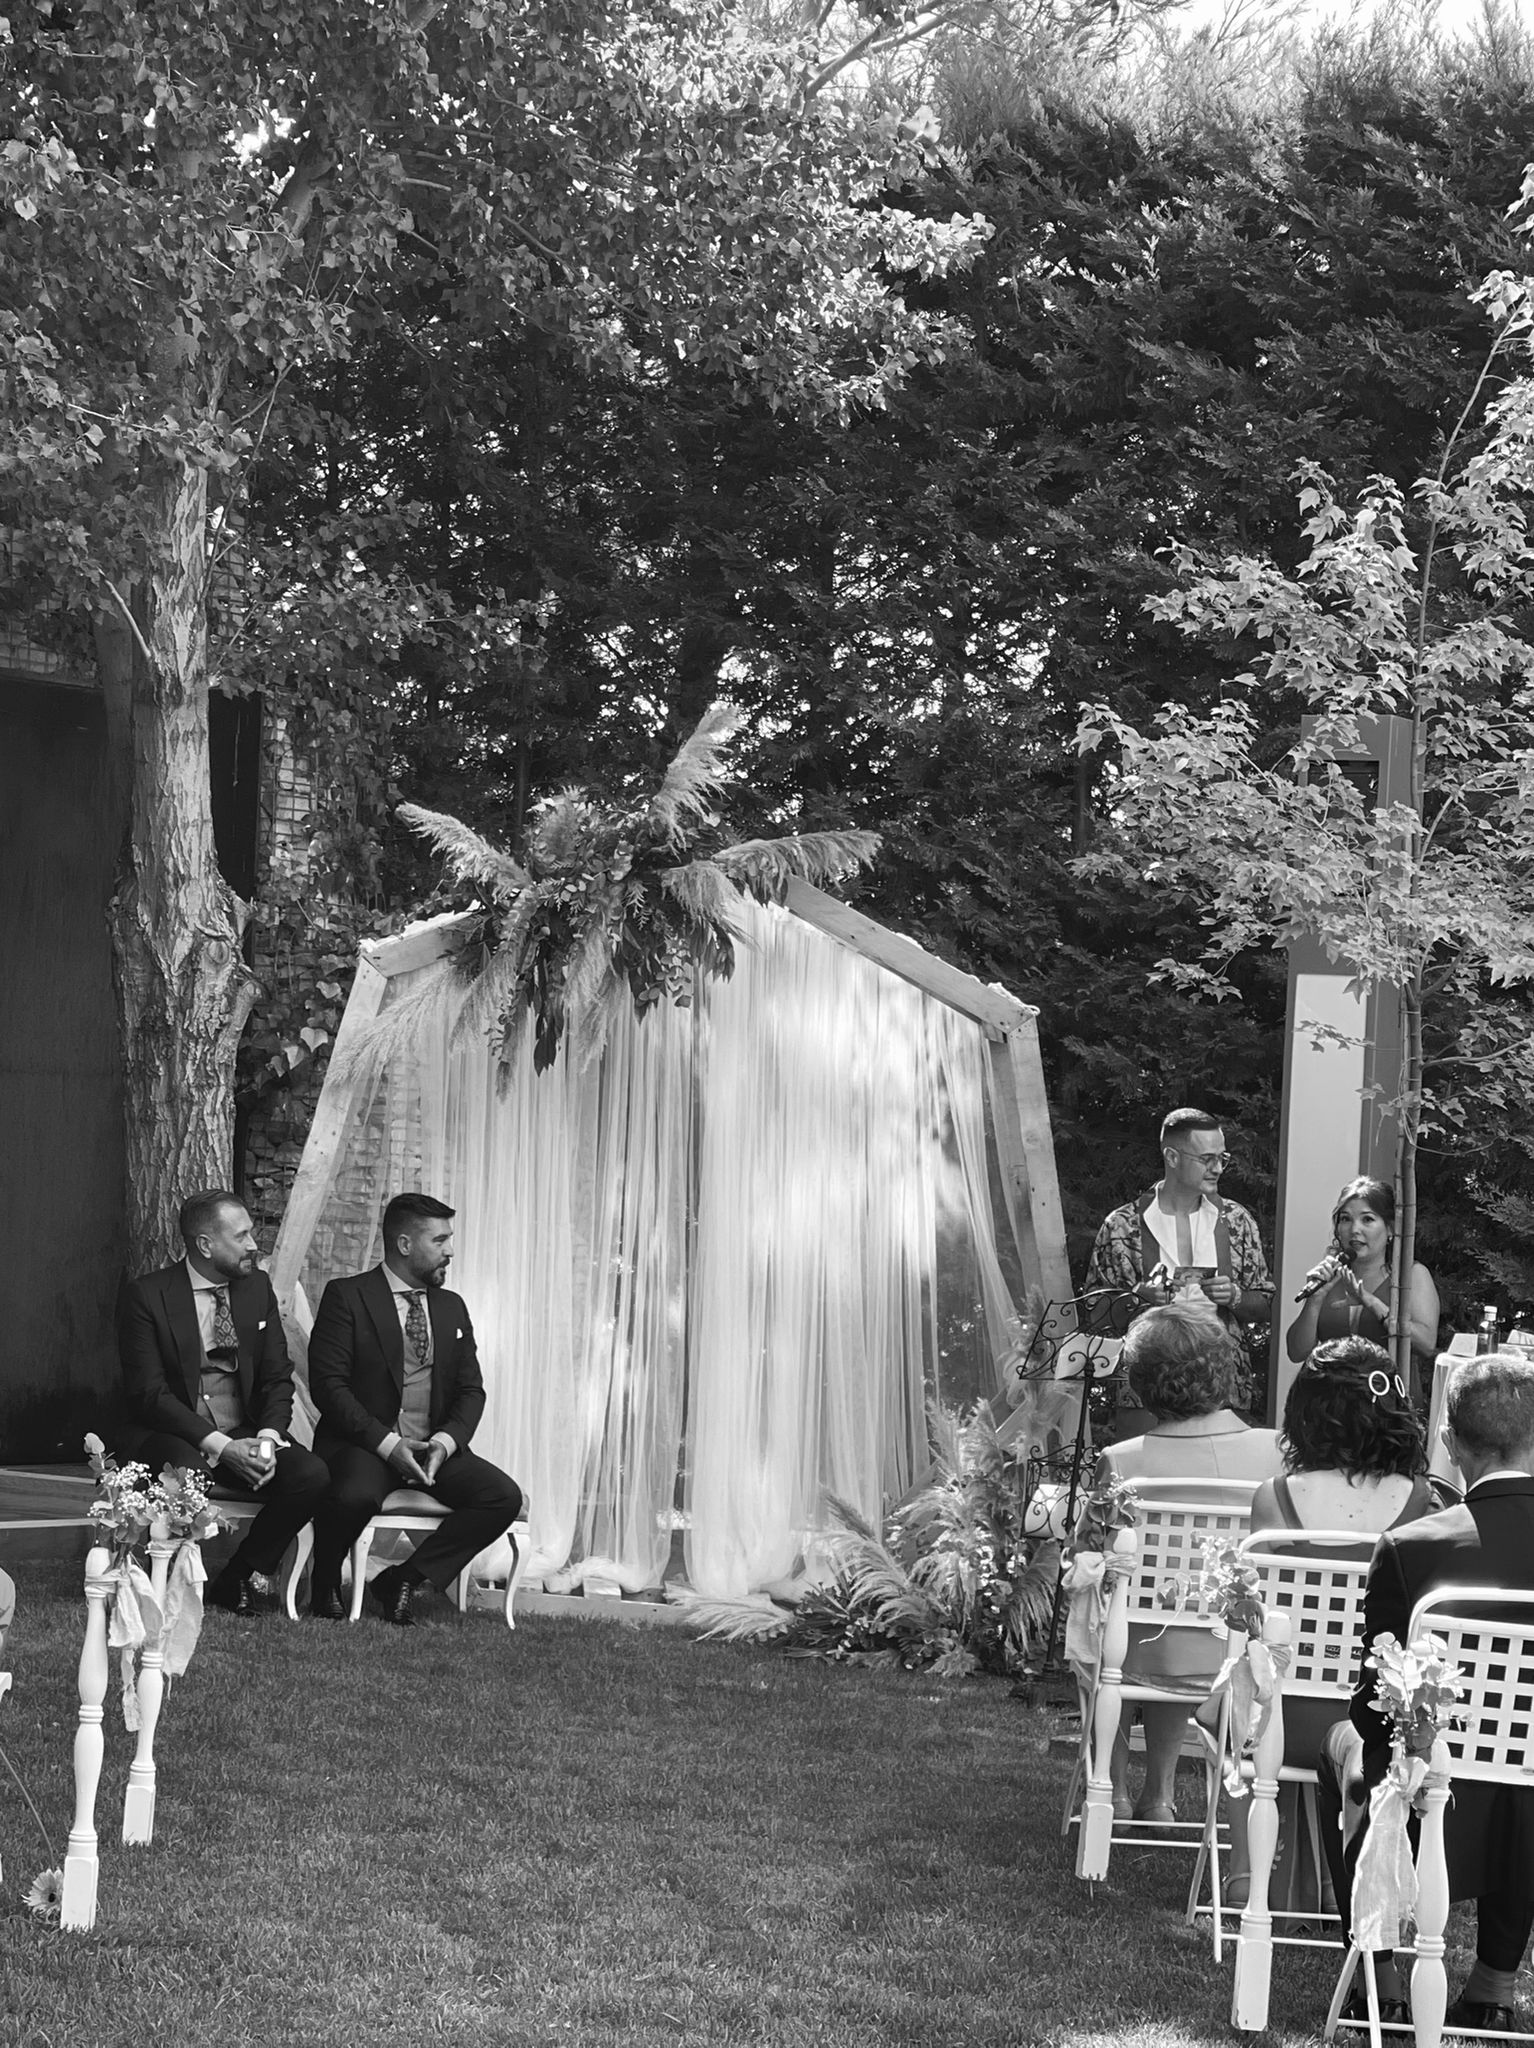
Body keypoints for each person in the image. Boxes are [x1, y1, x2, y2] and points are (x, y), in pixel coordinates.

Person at [1317, 1352, 1534, 2033]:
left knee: (1344, 1742)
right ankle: (1494, 1980)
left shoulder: (1411, 1546)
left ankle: (1378, 1974)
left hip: (1429, 1787)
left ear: (1450, 1441)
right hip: (1528, 1784)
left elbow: (1374, 1704)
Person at [1225, 1339, 1438, 1911]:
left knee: (1251, 1674)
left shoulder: (1272, 1501)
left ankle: (1247, 1873)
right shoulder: (1425, 1506)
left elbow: (1256, 1628)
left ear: (1305, 1416)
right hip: (1379, 1731)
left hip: (1280, 1720)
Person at [1087, 1302, 1283, 1821]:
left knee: (1106, 1615)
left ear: (1143, 1382)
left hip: (1140, 1649)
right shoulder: (1277, 1454)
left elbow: (1088, 1553)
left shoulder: (1123, 1461)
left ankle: (1115, 1792)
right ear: (1225, 1369)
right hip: (1236, 1652)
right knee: (1158, 1619)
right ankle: (1160, 1795)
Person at [306, 1191, 523, 1626]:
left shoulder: (451, 1306)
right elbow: (329, 1387)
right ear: (405, 1245)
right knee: (354, 1496)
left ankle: (403, 1579)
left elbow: (471, 1390)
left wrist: (444, 1443)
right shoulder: (347, 1297)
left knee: (501, 1497)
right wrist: (386, 1444)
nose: (450, 1251)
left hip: (432, 1448)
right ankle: (325, 1579)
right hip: (365, 1444)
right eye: (439, 1241)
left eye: (449, 1239)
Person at [116, 1189, 331, 1616]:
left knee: (311, 1474)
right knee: (189, 1475)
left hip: (246, 1427)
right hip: (173, 1431)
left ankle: (236, 1577)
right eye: (242, 1235)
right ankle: (174, 1580)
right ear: (204, 1245)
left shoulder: (256, 1289)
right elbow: (149, 1395)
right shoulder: (147, 1296)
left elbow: (275, 1376)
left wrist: (267, 1442)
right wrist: (221, 1446)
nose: (254, 1245)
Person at [1084, 1107, 1273, 1338]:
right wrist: (1137, 1298)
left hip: (1221, 1370)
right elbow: (1094, 1314)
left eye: (1221, 1158)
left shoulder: (1238, 1220)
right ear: (1172, 1157)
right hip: (1149, 1370)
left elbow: (1267, 1305)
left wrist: (1236, 1297)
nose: (1218, 1169)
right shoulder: (1121, 1226)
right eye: (1206, 1159)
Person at [1285, 1177, 1440, 1400]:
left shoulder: (1412, 1276)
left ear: (1390, 1228)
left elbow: (1425, 1343)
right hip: (1328, 1408)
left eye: (1367, 1219)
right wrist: (1315, 1300)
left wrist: (1370, 1301)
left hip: (1388, 1407)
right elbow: (1296, 1352)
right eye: (1345, 1219)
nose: (1354, 1229)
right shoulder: (1330, 1276)